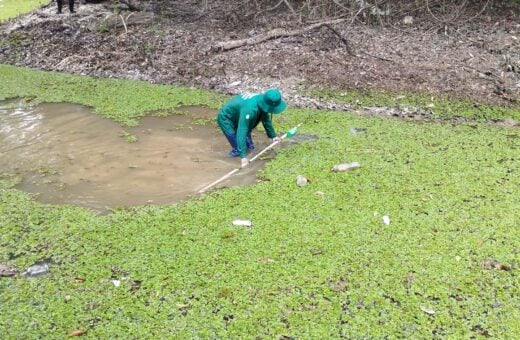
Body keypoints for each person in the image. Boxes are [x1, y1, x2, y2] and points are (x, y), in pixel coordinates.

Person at [217, 89, 287, 168]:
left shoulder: (263, 101)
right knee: (238, 150)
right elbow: (242, 130)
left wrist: (273, 136)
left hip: (240, 115)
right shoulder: (250, 110)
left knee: (250, 147)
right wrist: (243, 157)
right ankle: (226, 162)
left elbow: (266, 119)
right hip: (227, 119)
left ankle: (242, 151)